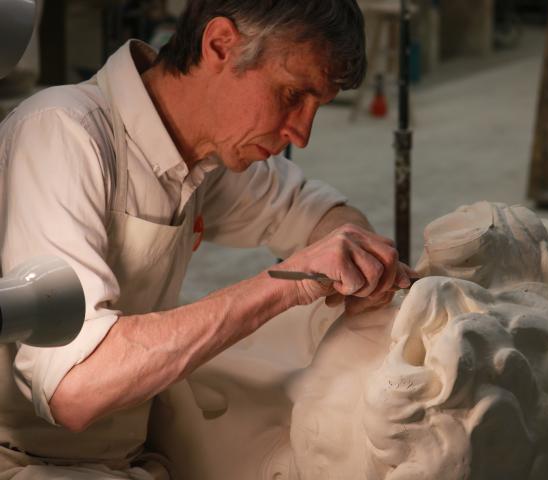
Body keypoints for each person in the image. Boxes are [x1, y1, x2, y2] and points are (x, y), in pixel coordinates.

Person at [0, 1, 411, 478]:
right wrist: (286, 284)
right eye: (292, 94)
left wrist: (359, 257)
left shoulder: (205, 148)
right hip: (27, 462)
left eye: (317, 106)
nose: (301, 133)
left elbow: (325, 215)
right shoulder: (65, 134)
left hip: (124, 454)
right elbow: (73, 387)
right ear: (220, 44)